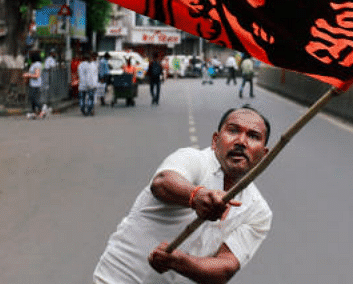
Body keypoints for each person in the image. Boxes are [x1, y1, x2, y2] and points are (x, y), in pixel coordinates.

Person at [93, 106, 273, 283]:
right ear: (215, 140)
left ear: (264, 155)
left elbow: (225, 268)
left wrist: (178, 262)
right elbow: (162, 182)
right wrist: (196, 196)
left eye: (253, 136)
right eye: (233, 131)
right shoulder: (192, 159)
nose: (241, 141)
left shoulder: (258, 211)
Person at [23, 54, 46, 118]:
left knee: (33, 98)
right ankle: (34, 112)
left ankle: (42, 109)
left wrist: (27, 75)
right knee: (32, 98)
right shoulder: (36, 64)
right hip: (33, 84)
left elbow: (37, 75)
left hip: (35, 84)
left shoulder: (37, 65)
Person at [79, 51, 100, 116]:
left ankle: (82, 110)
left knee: (82, 99)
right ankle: (89, 110)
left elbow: (80, 75)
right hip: (89, 85)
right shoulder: (90, 65)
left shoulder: (80, 65)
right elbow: (90, 76)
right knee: (90, 99)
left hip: (82, 85)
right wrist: (92, 85)